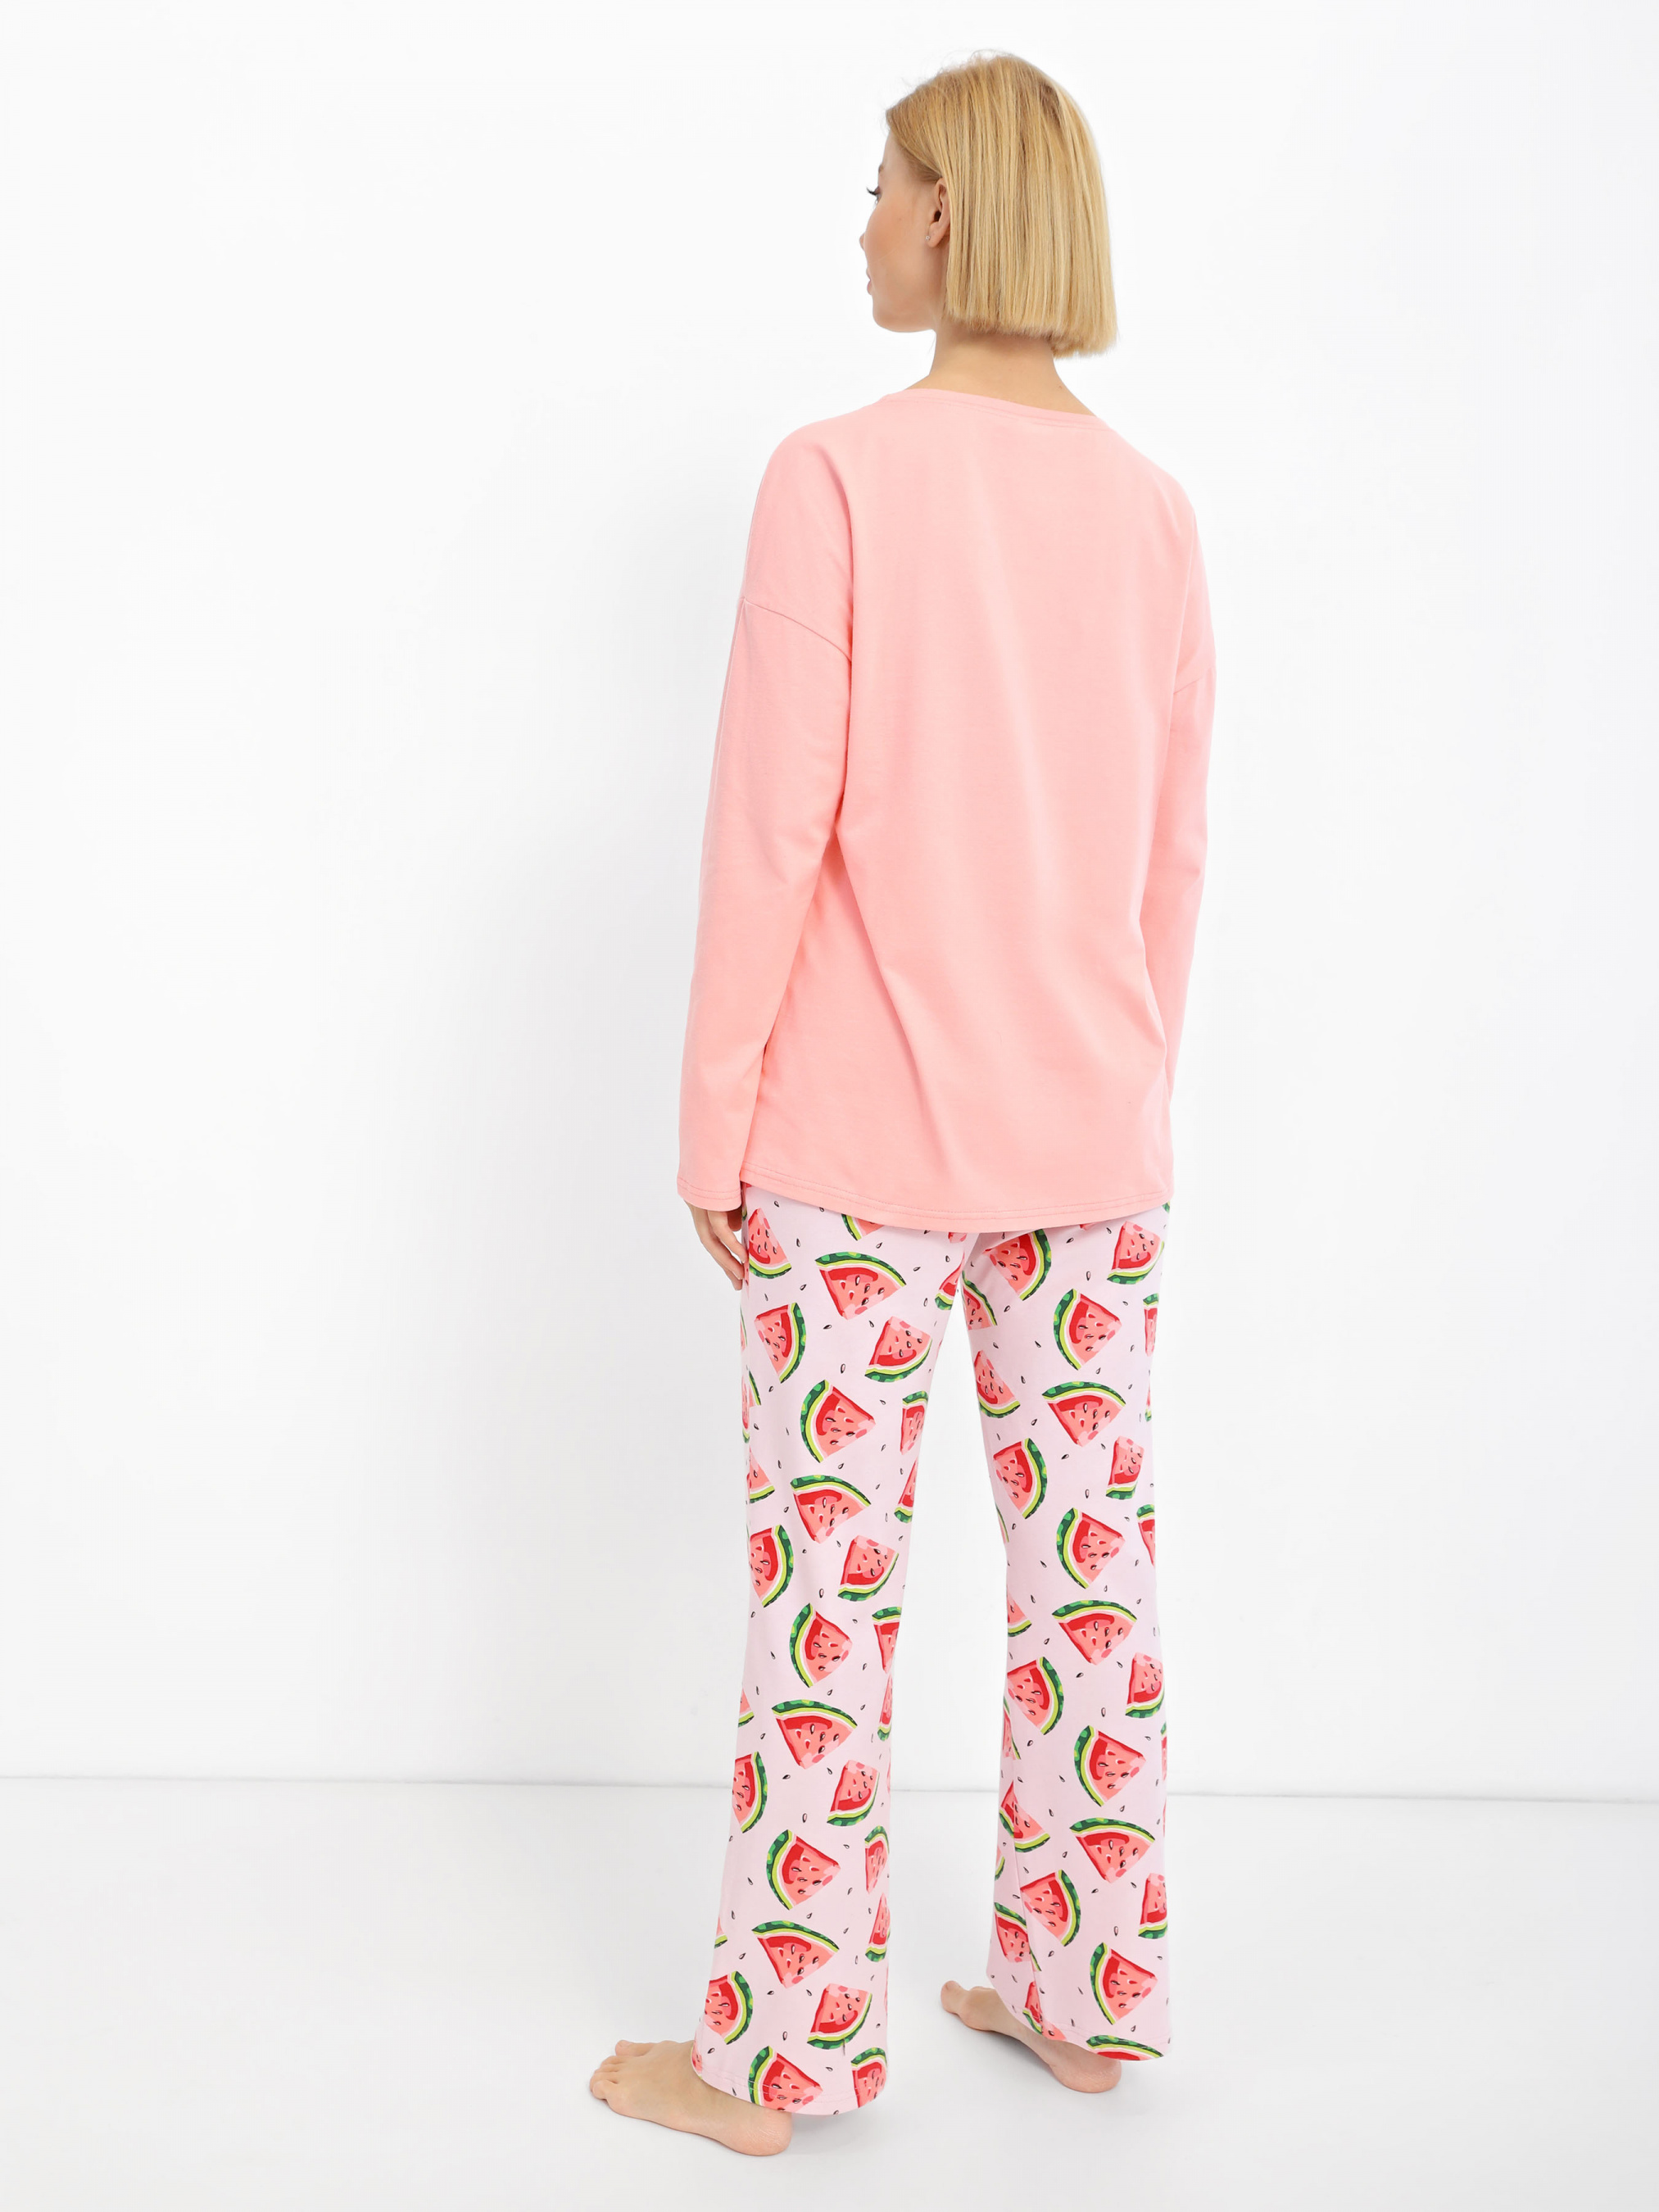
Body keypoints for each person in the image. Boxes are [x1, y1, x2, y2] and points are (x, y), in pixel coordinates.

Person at [590, 49, 1216, 2157]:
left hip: (853, 1156)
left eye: (878, 187)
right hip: (1090, 1149)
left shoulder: (836, 478)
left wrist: (713, 1124)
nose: (859, 223)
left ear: (946, 214)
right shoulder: (1152, 514)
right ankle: (1083, 1994)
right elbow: (1167, 865)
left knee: (825, 1605)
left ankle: (768, 2064)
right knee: (1089, 1589)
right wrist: (1122, 1089)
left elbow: (767, 832)